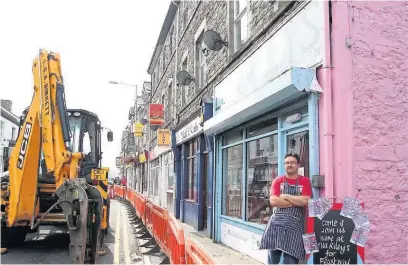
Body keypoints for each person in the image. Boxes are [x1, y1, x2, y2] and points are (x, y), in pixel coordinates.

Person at [259, 153, 312, 264]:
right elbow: (274, 201)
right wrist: (297, 201)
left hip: (295, 228)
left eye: (292, 162)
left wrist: (287, 197)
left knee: (291, 262)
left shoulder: (305, 181)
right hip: (276, 226)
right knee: (273, 261)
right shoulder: (277, 181)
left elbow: (306, 201)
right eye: (287, 163)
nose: (289, 165)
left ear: (298, 165)